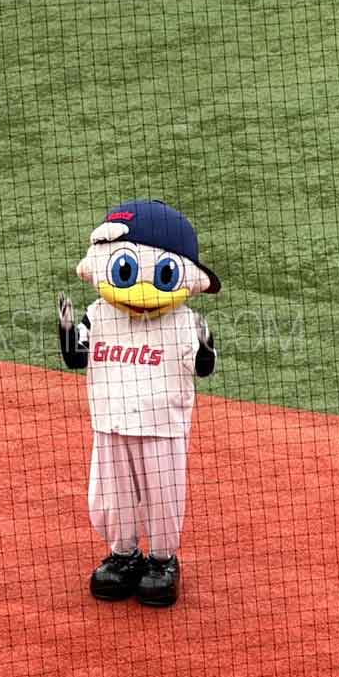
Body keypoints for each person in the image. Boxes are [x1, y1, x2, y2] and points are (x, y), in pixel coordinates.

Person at [57, 199, 219, 608]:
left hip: (162, 426)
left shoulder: (183, 322)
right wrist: (65, 331)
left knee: (163, 495)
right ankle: (123, 554)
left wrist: (206, 347)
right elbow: (77, 358)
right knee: (112, 495)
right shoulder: (98, 314)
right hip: (110, 422)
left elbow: (203, 369)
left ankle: (162, 561)